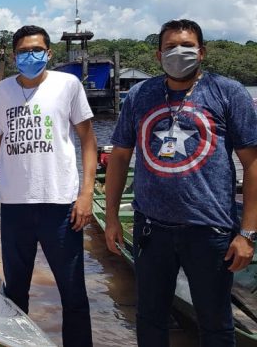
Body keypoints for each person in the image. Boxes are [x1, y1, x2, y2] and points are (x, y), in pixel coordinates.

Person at [103, 19, 257, 347]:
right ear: (158, 56)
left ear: (202, 52)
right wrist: (112, 217)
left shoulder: (227, 92)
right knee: (149, 318)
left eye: (187, 46)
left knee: (215, 323)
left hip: (210, 230)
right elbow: (119, 157)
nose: (179, 52)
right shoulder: (140, 95)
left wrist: (247, 234)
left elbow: (252, 164)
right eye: (170, 47)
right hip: (151, 229)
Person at [0, 25, 97, 347]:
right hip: (15, 206)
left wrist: (86, 194)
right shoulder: (4, 90)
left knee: (73, 292)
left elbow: (88, 140)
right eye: (23, 52)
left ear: (49, 52)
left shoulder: (68, 85)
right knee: (15, 293)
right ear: (14, 56)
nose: (30, 56)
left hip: (61, 205)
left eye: (36, 50)